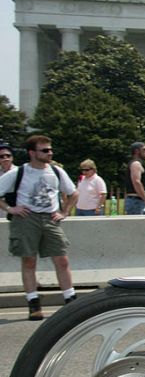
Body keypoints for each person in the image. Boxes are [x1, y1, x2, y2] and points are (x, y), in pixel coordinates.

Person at [0, 135, 79, 320]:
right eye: (45, 150)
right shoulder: (19, 172)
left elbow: (73, 193)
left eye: (50, 149)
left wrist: (65, 212)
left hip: (50, 219)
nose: (49, 153)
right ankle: (33, 302)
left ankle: (70, 299)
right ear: (32, 153)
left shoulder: (56, 171)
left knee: (62, 259)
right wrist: (10, 208)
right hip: (27, 219)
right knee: (29, 261)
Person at [124, 141, 145, 215]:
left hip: (136, 201)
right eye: (144, 150)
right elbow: (137, 182)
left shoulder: (136, 163)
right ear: (137, 151)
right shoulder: (136, 164)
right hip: (136, 201)